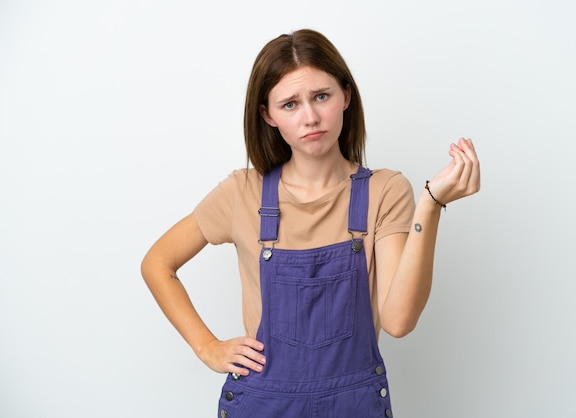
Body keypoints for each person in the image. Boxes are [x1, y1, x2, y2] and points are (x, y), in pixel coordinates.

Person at [141, 28, 480, 418]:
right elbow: (157, 263)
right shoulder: (241, 192)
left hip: (353, 405)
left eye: (322, 96)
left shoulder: (385, 190)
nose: (311, 117)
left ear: (346, 96)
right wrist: (207, 346)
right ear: (267, 115)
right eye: (290, 104)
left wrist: (431, 206)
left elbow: (399, 321)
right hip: (263, 404)